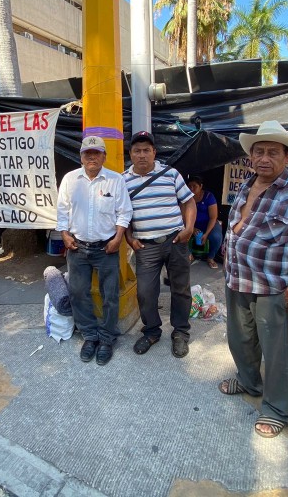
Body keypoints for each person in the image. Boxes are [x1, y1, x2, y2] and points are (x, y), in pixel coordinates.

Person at [219, 120, 288, 439]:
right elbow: (236, 226)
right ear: (250, 157)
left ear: (287, 156)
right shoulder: (247, 183)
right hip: (237, 278)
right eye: (258, 152)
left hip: (274, 286)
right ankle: (249, 381)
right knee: (240, 339)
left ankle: (278, 407)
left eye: (272, 152)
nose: (263, 158)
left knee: (278, 351)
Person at [56, 135, 132, 365]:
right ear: (81, 157)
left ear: (104, 156)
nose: (92, 157)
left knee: (110, 295)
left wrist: (118, 238)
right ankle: (90, 336)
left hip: (106, 248)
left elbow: (124, 212)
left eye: (96, 153)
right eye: (87, 153)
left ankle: (107, 338)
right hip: (77, 248)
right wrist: (64, 235)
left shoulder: (115, 180)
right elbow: (62, 211)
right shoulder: (70, 179)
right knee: (79, 293)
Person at [123, 131, 195, 358]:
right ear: (131, 154)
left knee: (181, 289)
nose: (142, 155)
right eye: (137, 150)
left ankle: (181, 333)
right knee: (145, 292)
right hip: (146, 246)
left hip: (175, 240)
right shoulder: (123, 180)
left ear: (154, 152)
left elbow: (189, 201)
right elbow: (122, 214)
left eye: (147, 150)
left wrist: (189, 228)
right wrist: (129, 238)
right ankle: (152, 331)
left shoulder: (170, 174)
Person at [186, 175, 223, 269]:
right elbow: (182, 216)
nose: (191, 188)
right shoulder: (185, 197)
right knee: (181, 232)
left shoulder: (208, 196)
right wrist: (192, 228)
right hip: (191, 224)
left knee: (216, 237)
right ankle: (189, 254)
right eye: (189, 186)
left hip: (209, 223)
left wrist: (206, 234)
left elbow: (213, 217)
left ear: (201, 186)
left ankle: (211, 257)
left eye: (195, 186)